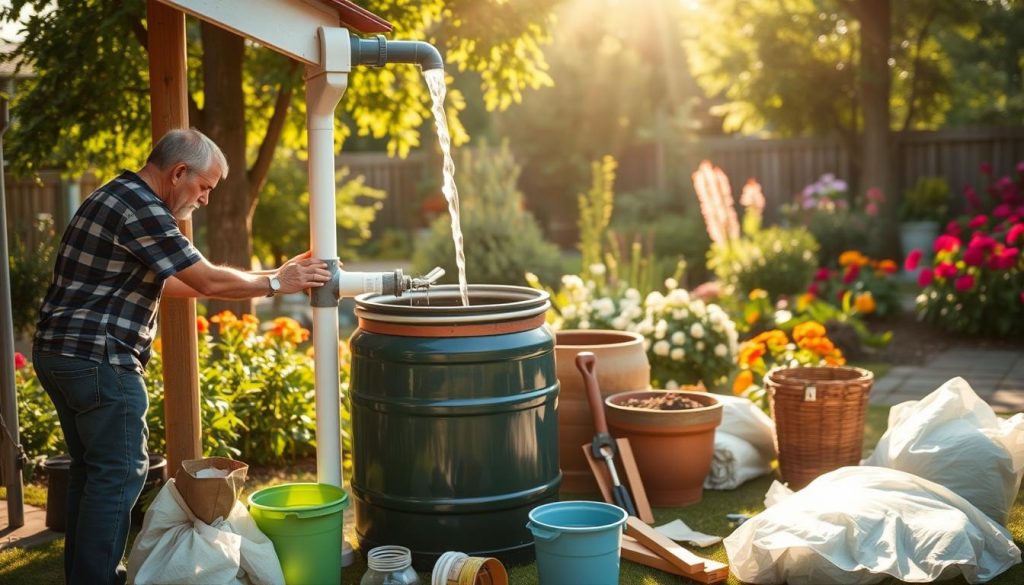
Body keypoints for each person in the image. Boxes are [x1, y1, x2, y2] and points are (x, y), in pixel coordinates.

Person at [32, 128, 329, 585]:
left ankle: (84, 577)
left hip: (61, 354)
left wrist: (276, 275)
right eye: (204, 187)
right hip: (100, 358)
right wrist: (274, 283)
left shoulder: (115, 194)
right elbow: (208, 281)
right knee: (118, 475)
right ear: (178, 172)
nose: (205, 199)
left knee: (92, 474)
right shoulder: (145, 209)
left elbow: (174, 283)